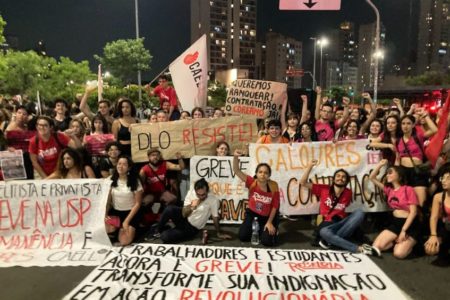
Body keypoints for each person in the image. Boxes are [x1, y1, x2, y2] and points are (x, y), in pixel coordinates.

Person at [300, 159, 381, 256]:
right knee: (324, 232)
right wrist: (310, 166)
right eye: (338, 176)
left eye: (343, 177)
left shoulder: (348, 192)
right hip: (328, 225)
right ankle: (359, 248)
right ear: (333, 179)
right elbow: (303, 183)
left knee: (360, 212)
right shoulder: (324, 189)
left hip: (343, 224)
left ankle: (331, 241)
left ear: (346, 181)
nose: (340, 178)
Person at [153, 178, 231, 243]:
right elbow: (184, 213)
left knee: (165, 237)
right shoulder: (191, 193)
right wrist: (192, 206)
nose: (201, 197)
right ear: (195, 191)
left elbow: (215, 217)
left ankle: (179, 233)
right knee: (169, 209)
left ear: (207, 191)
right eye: (198, 194)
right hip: (184, 217)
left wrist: (219, 233)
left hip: (191, 228)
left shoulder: (213, 200)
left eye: (203, 194)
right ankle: (157, 231)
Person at [370, 159, 420, 259]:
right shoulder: (389, 190)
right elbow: (372, 178)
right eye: (387, 173)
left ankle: (412, 243)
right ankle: (395, 241)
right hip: (395, 223)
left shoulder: (408, 189)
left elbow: (413, 212)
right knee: (375, 247)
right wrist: (380, 164)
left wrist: (403, 231)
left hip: (410, 224)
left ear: (399, 175)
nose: (387, 175)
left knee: (399, 254)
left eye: (390, 172)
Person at [233, 149, 279, 246]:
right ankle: (256, 230)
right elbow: (236, 170)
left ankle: (272, 229)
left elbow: (275, 206)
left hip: (267, 216)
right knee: (243, 237)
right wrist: (236, 157)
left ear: (269, 175)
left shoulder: (274, 186)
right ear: (256, 173)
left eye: (266, 173)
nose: (263, 174)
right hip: (252, 214)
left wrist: (269, 222)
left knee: (266, 241)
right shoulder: (251, 182)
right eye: (260, 172)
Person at [396, 114, 437, 206]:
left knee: (421, 203)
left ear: (413, 125)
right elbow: (397, 158)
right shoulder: (398, 140)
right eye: (403, 123)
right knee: (406, 203)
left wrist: (426, 116)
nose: (405, 126)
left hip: (417, 172)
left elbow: (435, 130)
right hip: (404, 173)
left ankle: (422, 219)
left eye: (408, 123)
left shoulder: (418, 136)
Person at [105, 155, 143, 246]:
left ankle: (133, 228)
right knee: (106, 229)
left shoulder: (135, 181)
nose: (120, 166)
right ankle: (118, 229)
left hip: (130, 213)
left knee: (124, 241)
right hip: (116, 212)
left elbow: (138, 203)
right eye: (119, 164)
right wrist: (105, 213)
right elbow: (107, 201)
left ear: (129, 167)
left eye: (124, 164)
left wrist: (126, 221)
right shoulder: (110, 179)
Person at [424, 165, 450, 266]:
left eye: (448, 178)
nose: (444, 181)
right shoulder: (438, 197)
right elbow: (434, 217)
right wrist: (433, 235)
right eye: (443, 178)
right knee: (430, 250)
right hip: (446, 229)